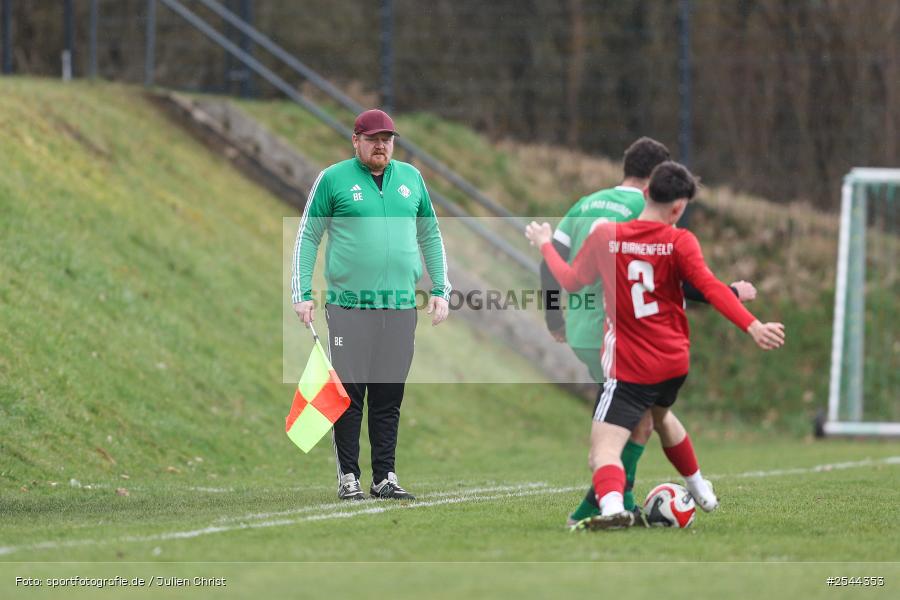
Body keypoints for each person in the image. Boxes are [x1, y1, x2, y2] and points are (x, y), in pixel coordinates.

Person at [526, 161, 784, 529]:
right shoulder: (681, 240)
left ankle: (613, 508)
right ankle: (701, 490)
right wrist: (753, 325)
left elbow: (568, 281)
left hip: (631, 366)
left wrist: (545, 244)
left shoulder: (605, 237)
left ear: (645, 192)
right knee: (660, 417)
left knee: (603, 452)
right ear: (678, 209)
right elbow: (710, 288)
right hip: (673, 365)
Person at [291, 109, 450, 501]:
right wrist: (302, 292)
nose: (382, 145)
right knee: (349, 393)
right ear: (356, 140)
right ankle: (349, 477)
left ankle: (385, 477)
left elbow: (430, 234)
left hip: (399, 307)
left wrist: (442, 289)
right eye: (374, 138)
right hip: (349, 307)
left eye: (388, 139)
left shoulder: (411, 179)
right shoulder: (333, 179)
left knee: (388, 394)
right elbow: (308, 235)